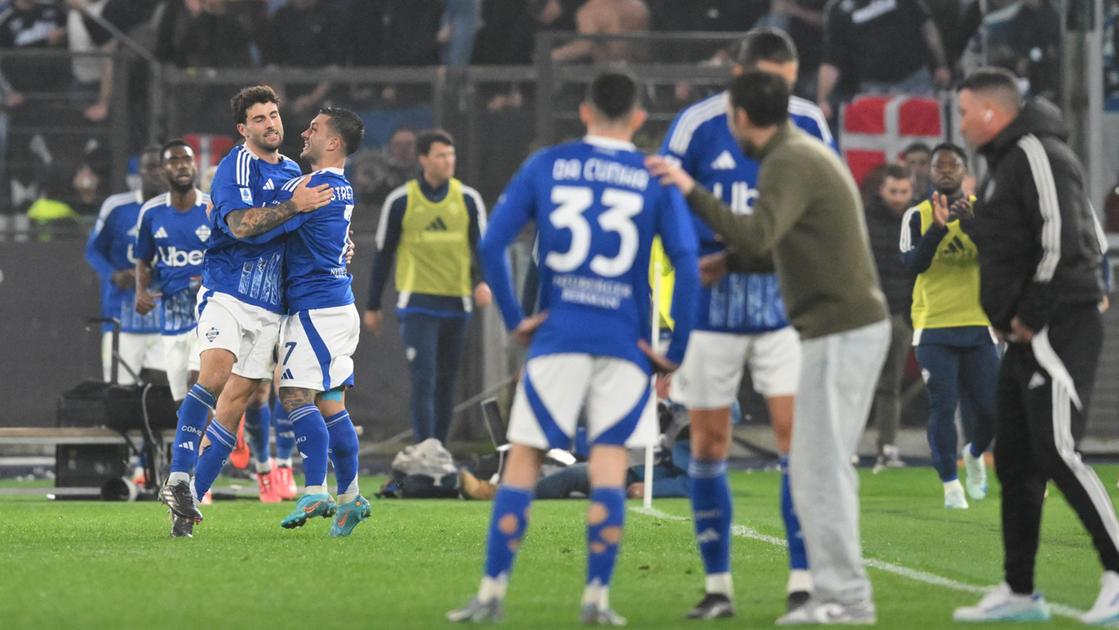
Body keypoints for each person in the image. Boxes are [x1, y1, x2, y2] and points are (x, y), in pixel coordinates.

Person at [447, 71, 700, 625]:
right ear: (638, 119)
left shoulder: (549, 164)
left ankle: (491, 593)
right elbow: (687, 262)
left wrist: (519, 320)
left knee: (523, 463)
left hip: (557, 337)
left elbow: (491, 242)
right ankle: (596, 601)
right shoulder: (653, 175)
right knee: (610, 468)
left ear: (584, 111)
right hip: (625, 343)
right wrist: (675, 347)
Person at [648, 70, 890, 625]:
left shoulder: (789, 159)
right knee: (810, 466)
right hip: (825, 325)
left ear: (740, 115)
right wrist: (728, 263)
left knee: (819, 468)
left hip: (832, 327)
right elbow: (772, 242)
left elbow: (758, 234)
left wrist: (690, 189)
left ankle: (839, 598)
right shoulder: (799, 150)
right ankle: (822, 595)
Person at [658, 28, 834, 618]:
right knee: (708, 442)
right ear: (739, 77)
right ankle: (718, 588)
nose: (778, 94)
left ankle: (804, 580)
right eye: (767, 82)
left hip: (784, 309)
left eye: (786, 84)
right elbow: (667, 206)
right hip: (710, 312)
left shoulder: (809, 123)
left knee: (795, 443)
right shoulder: (697, 125)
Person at [950, 67, 1119, 625]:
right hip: (1026, 332)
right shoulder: (1004, 165)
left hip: (1056, 326)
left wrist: (1027, 315)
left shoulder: (1037, 152)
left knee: (1058, 450)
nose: (961, 122)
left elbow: (1065, 239)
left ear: (991, 113)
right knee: (1017, 460)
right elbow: (1019, 243)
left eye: (964, 110)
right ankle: (1020, 592)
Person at [158, 85, 333, 537]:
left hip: (270, 307)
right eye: (259, 119)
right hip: (228, 293)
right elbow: (239, 224)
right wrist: (294, 205)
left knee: (236, 406)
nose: (271, 123)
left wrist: (337, 247)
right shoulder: (235, 166)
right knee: (213, 376)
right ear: (243, 128)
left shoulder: (294, 170)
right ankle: (177, 475)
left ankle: (188, 503)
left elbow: (300, 234)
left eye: (274, 115)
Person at [235, 107, 372, 536]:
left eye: (314, 129)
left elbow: (259, 224)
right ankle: (351, 497)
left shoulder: (309, 186)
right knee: (331, 403)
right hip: (337, 304)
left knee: (293, 395)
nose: (303, 133)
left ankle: (314, 488)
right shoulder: (341, 186)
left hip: (316, 309)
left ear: (333, 143)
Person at [364, 130, 490, 445]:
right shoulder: (402, 201)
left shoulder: (467, 199)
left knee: (447, 382)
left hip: (457, 303)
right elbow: (383, 255)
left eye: (451, 155)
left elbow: (482, 250)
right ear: (423, 160)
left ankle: (440, 450)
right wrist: (373, 305)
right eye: (440, 155)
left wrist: (483, 282)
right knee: (424, 379)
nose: (448, 161)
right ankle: (424, 447)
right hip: (418, 304)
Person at [899, 142, 996, 509]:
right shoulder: (916, 215)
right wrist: (937, 230)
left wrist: (968, 223)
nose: (944, 170)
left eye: (952, 165)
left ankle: (974, 453)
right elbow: (912, 266)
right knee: (943, 405)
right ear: (930, 172)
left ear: (965, 171)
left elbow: (996, 256)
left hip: (978, 322)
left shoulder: (983, 213)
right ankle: (950, 483)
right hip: (933, 324)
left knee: (990, 409)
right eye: (939, 165)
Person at [133, 139, 209, 405]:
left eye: (187, 159)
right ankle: (195, 446)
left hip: (208, 315)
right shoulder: (151, 213)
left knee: (198, 381)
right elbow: (143, 259)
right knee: (181, 402)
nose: (182, 166)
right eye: (174, 161)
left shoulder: (212, 209)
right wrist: (141, 293)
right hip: (172, 318)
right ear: (163, 170)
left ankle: (214, 447)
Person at [85, 146, 167, 385]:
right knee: (121, 393)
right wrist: (113, 275)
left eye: (161, 167)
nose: (157, 173)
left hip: (165, 317)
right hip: (121, 314)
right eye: (150, 167)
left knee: (165, 394)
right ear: (138, 173)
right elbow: (93, 250)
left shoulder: (182, 208)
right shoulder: (117, 207)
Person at [816, 0, 952, 119]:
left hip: (916, 79)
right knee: (883, 140)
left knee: (926, 130)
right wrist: (822, 99)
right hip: (875, 89)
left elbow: (927, 26)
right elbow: (831, 61)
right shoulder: (839, 9)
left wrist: (940, 64)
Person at [863, 164, 913, 471]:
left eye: (904, 192)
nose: (898, 198)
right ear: (882, 189)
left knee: (891, 384)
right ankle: (848, 446)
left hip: (900, 314)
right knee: (859, 383)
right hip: (870, 314)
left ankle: (887, 447)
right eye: (893, 191)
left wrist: (910, 311)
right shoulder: (864, 220)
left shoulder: (919, 219)